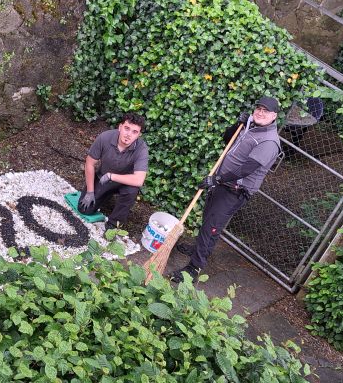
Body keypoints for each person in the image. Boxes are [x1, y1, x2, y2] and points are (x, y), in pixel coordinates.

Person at [169, 96, 282, 283]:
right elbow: (227, 139)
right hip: (224, 184)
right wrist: (237, 123)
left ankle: (193, 268)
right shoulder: (250, 127)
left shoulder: (269, 141)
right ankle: (199, 248)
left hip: (235, 190)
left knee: (211, 227)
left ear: (274, 116)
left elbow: (247, 168)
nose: (260, 113)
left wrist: (217, 179)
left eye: (266, 111)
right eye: (258, 109)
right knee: (208, 221)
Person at [78, 113, 149, 230]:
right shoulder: (105, 138)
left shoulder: (141, 148)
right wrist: (90, 191)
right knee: (84, 209)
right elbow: (90, 163)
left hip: (124, 182)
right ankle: (104, 195)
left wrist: (112, 176)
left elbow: (139, 180)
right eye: (127, 128)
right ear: (120, 127)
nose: (129, 134)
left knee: (132, 190)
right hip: (103, 179)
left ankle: (113, 224)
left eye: (134, 132)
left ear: (139, 135)